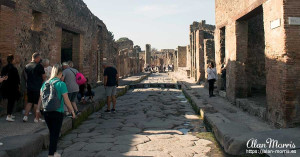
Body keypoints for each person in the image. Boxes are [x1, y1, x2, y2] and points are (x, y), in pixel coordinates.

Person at [36, 64, 76, 157]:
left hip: (46, 111)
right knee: (55, 133)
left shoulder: (45, 83)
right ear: (61, 73)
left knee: (52, 132)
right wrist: (72, 111)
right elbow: (66, 99)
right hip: (57, 111)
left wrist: (38, 110)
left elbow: (41, 97)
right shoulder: (61, 84)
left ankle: (53, 152)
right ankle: (51, 154)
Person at [23, 53, 46, 122]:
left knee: (29, 102)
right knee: (36, 103)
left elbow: (25, 76)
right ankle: (37, 118)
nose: (40, 59)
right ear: (37, 58)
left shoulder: (27, 66)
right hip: (37, 86)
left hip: (29, 86)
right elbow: (44, 77)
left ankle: (25, 116)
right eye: (39, 58)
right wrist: (43, 84)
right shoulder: (39, 66)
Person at [1, 54, 20, 122]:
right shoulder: (13, 69)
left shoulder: (4, 68)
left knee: (9, 101)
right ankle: (9, 115)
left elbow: (2, 77)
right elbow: (17, 79)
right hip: (12, 87)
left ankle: (10, 114)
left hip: (5, 87)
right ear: (12, 60)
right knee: (11, 102)